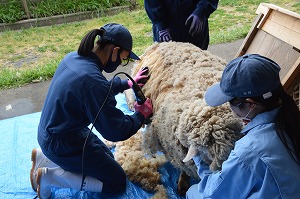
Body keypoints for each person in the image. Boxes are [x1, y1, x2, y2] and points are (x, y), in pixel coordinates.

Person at [30, 23, 153, 199]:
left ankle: (44, 158)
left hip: (53, 132)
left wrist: (126, 83)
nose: (121, 64)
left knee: (104, 154)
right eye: (123, 59)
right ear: (115, 51)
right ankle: (50, 177)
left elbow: (92, 89)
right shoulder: (92, 82)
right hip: (62, 143)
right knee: (116, 181)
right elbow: (114, 130)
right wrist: (140, 115)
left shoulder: (73, 58)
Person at [186, 54, 300, 198]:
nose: (230, 109)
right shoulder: (291, 118)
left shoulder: (250, 151)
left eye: (229, 102)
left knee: (193, 192)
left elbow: (214, 194)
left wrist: (199, 160)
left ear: (250, 104)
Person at [144, 0, 219, 50]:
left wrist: (201, 10)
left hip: (194, 26)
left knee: (197, 65)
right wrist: (161, 25)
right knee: (166, 67)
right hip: (166, 30)